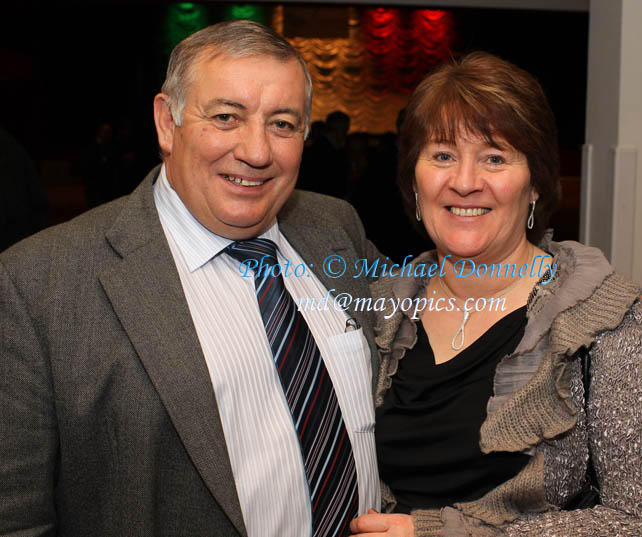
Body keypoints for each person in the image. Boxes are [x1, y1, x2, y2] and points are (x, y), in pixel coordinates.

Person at [0, 20, 382, 537]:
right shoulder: (38, 284)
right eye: (226, 117)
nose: (257, 151)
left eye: (283, 124)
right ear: (166, 122)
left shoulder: (334, 227)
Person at [350, 52, 642, 536]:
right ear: (414, 179)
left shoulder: (607, 322)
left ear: (534, 184)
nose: (465, 182)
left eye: (494, 157)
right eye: (443, 155)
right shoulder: (379, 309)